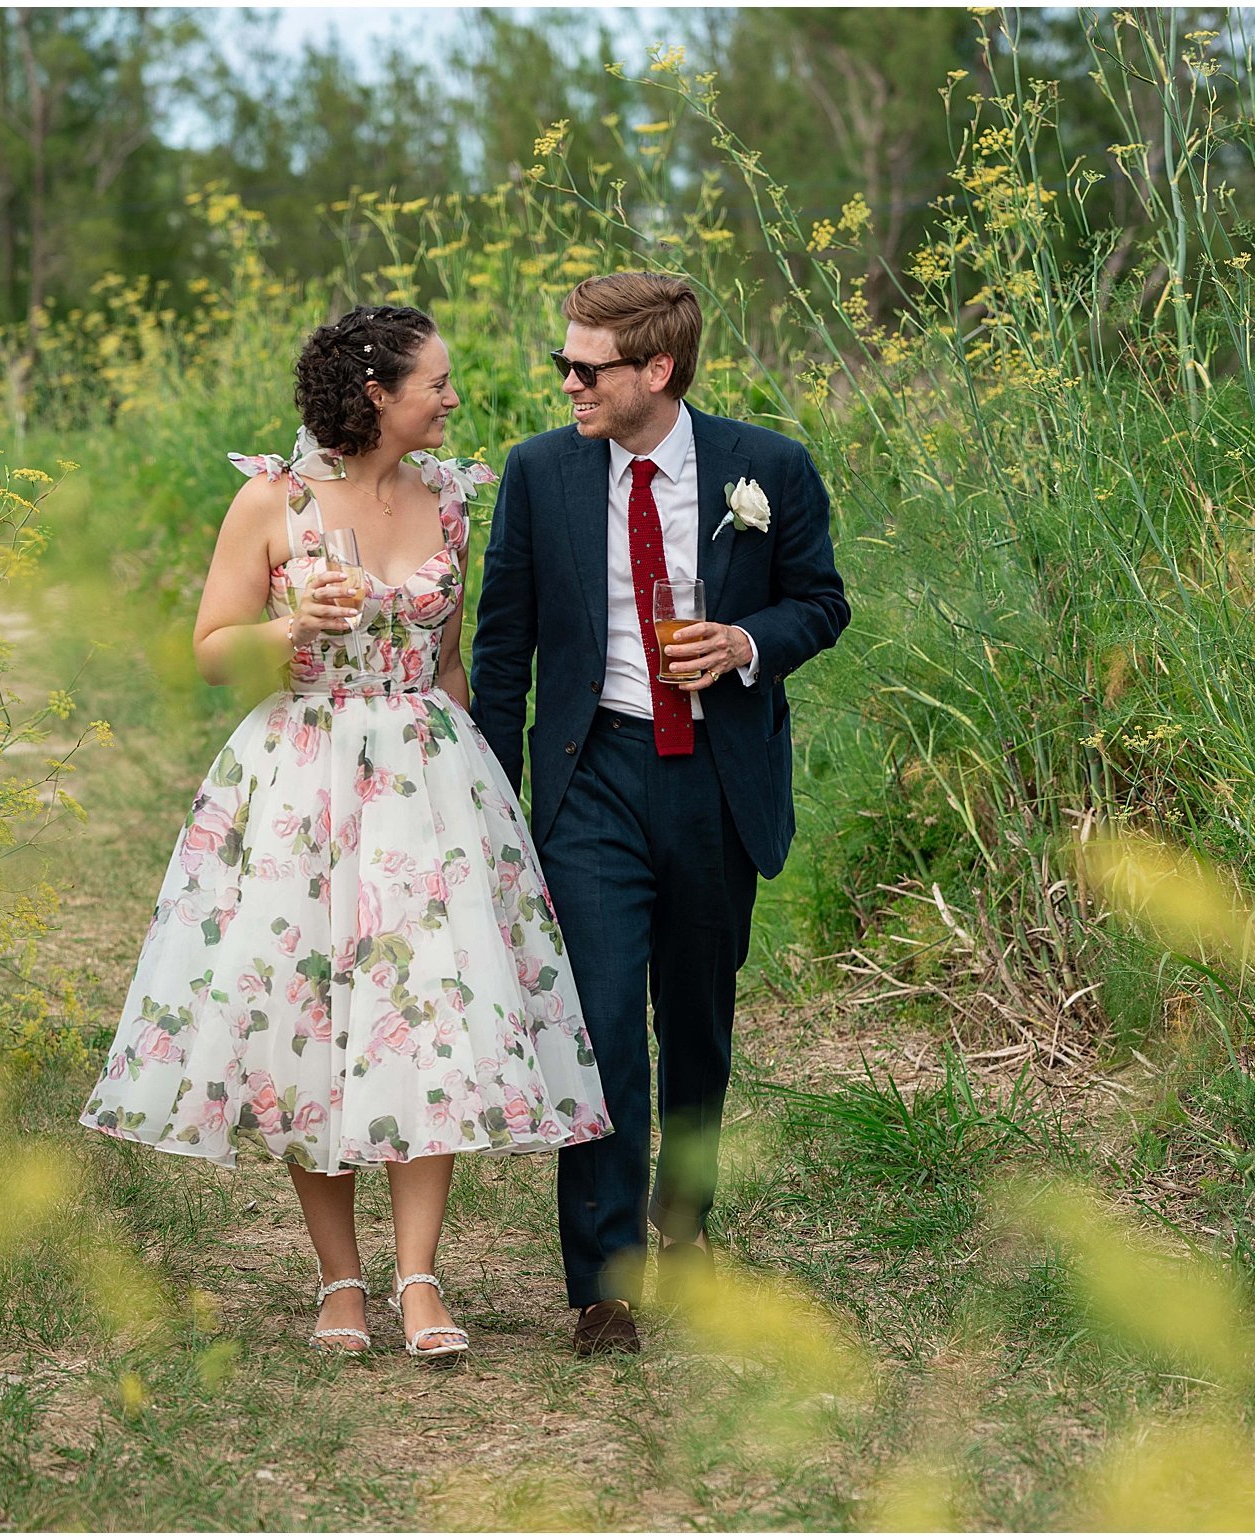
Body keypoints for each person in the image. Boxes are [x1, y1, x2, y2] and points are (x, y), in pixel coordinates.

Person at [81, 305, 611, 1363]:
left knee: (426, 1021)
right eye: (436, 382)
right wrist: (293, 628)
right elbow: (209, 651)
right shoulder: (270, 502)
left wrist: (484, 800)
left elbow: (450, 661)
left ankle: (418, 1276)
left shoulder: (453, 499)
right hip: (300, 777)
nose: (452, 399)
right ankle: (339, 1280)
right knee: (304, 1021)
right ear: (376, 393)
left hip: (428, 782)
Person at [469, 272, 850, 1356]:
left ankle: (683, 1226)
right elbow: (504, 654)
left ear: (656, 372)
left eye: (585, 368)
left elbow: (820, 602)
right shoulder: (539, 472)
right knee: (591, 1024)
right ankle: (603, 1280)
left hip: (714, 781)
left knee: (694, 1019)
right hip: (592, 778)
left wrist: (742, 645)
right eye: (563, 364)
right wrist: (499, 803)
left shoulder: (766, 468)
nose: (567, 383)